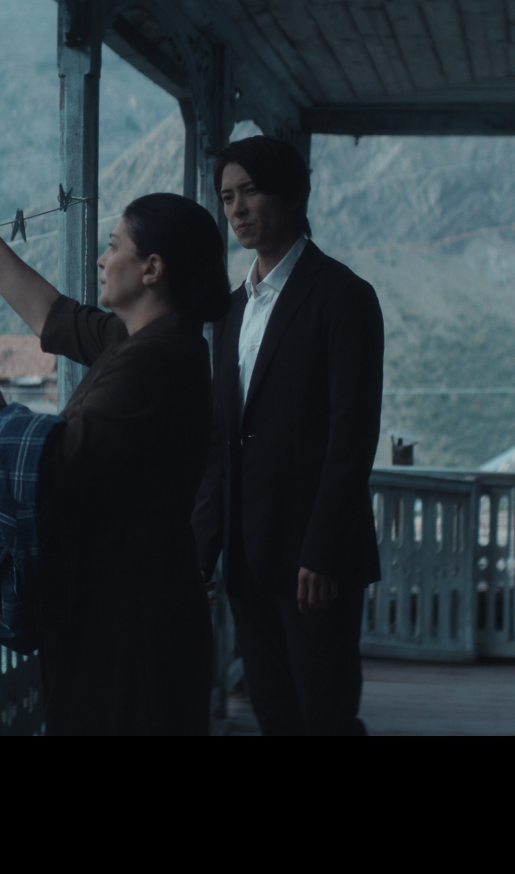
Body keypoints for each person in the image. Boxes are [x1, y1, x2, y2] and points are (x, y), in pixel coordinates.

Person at [0, 183, 228, 735]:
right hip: (129, 603)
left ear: (152, 269)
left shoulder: (156, 361)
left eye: (113, 246)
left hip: (130, 620)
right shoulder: (143, 341)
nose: (101, 259)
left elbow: (58, 466)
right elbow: (54, 316)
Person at [193, 135, 384, 736]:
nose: (238, 209)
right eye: (228, 197)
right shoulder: (230, 312)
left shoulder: (344, 297)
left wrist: (322, 551)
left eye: (250, 191)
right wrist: (203, 551)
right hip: (246, 561)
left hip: (314, 564)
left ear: (294, 195)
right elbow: (221, 442)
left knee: (326, 716)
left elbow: (352, 437)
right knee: (274, 716)